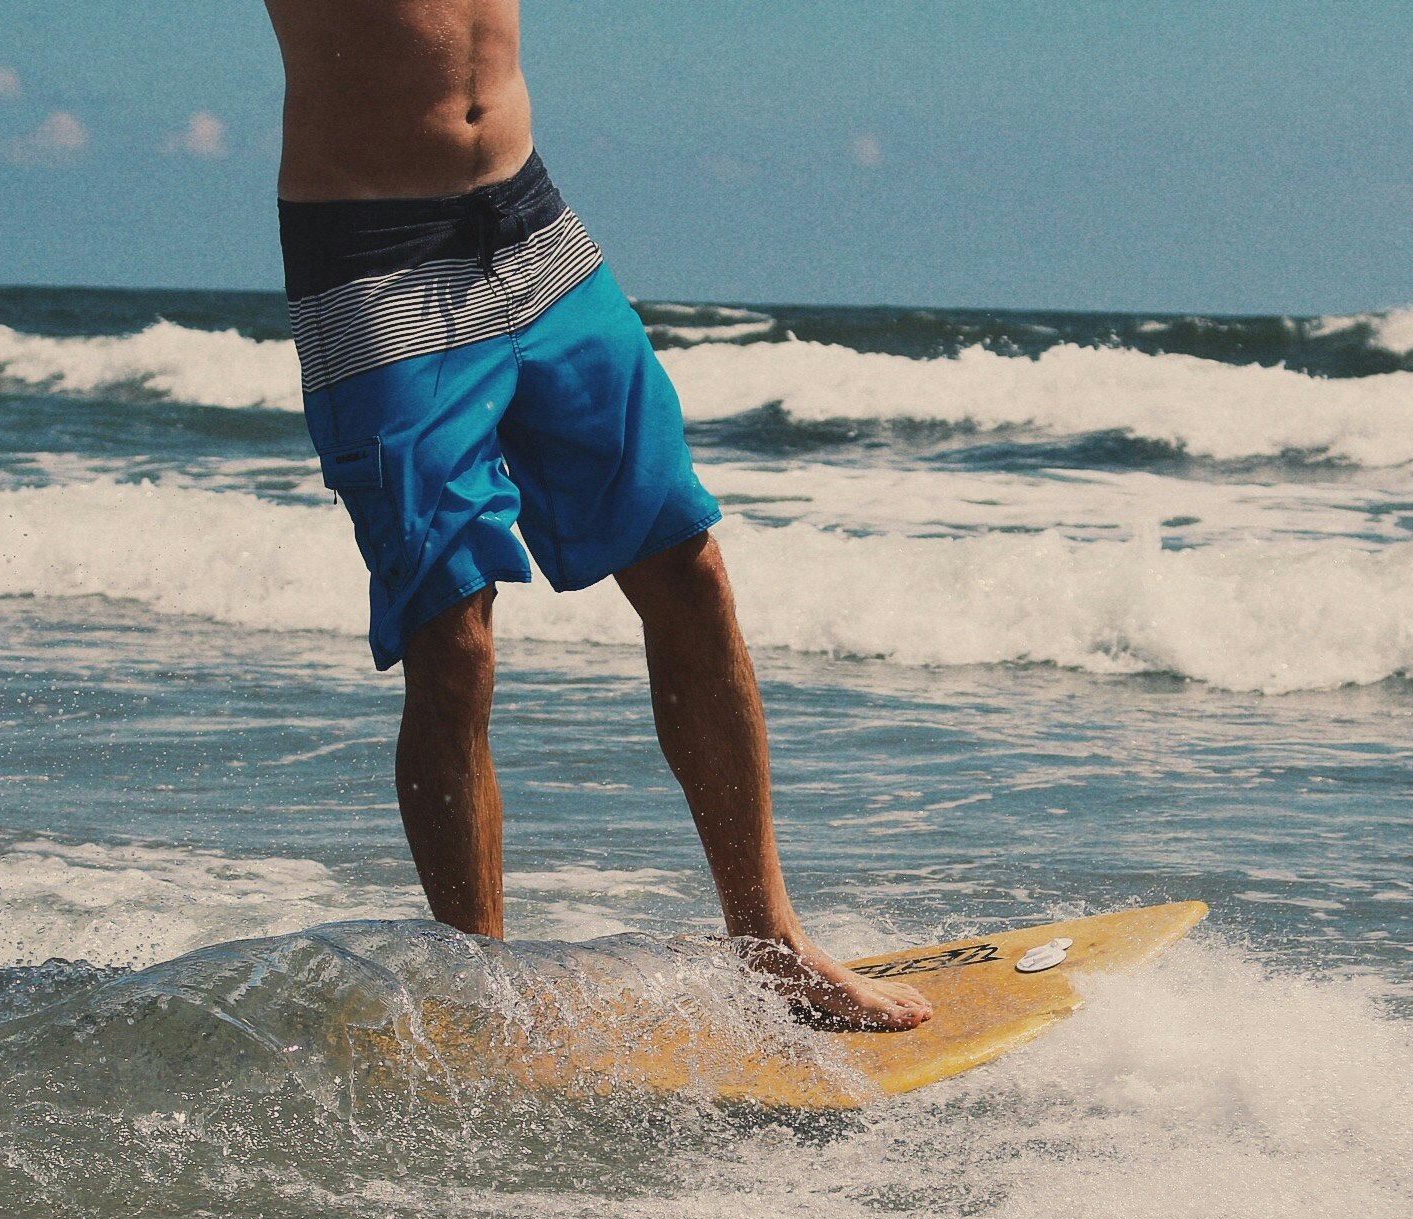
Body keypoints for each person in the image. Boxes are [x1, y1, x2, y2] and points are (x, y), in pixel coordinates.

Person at [262, 0, 931, 1030]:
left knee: (686, 566)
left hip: (534, 233)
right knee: (454, 639)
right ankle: (482, 999)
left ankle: (772, 945)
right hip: (374, 260)